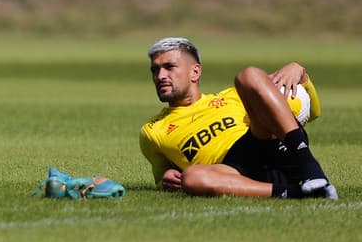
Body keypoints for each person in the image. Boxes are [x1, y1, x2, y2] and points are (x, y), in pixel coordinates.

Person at [140, 37, 337, 200]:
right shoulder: (153, 130)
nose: (160, 76)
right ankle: (299, 192)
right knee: (191, 177)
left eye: (169, 67)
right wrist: (165, 178)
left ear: (195, 71)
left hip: (266, 144)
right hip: (232, 172)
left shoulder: (232, 96)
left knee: (248, 75)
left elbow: (311, 112)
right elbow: (163, 175)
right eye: (155, 70)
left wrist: (300, 73)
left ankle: (311, 169)